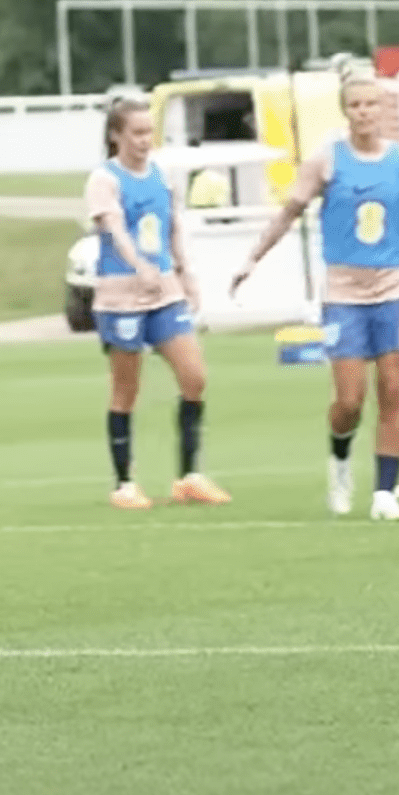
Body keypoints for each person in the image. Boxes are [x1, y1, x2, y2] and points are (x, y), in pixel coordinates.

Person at [232, 68, 399, 521]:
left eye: (371, 103)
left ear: (383, 109)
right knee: (349, 400)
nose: (364, 112)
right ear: (345, 110)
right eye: (356, 105)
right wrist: (253, 258)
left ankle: (385, 493)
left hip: (392, 284)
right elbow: (289, 211)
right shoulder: (327, 160)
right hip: (345, 290)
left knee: (392, 388)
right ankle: (339, 459)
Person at [86, 95, 230, 510]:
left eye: (150, 132)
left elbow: (171, 228)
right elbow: (114, 229)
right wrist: (139, 266)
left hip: (164, 292)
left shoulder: (161, 176)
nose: (145, 140)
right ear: (116, 136)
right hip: (122, 295)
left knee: (194, 377)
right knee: (126, 387)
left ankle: (189, 475)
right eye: (137, 133)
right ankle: (124, 482)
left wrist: (185, 272)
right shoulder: (104, 180)